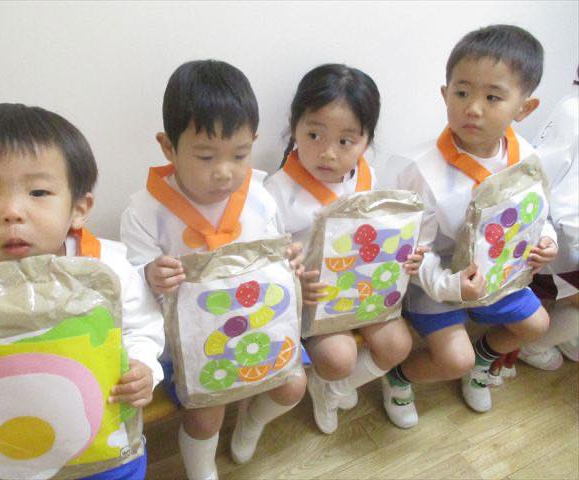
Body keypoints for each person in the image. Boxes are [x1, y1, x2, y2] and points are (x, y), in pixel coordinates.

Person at [0, 103, 165, 479]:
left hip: (102, 452)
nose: (12, 211)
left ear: (79, 208)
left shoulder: (105, 268)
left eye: (38, 191)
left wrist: (144, 367)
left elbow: (143, 327)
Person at [120, 60, 307, 480]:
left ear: (253, 142)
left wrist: (289, 262)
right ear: (168, 147)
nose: (225, 171)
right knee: (207, 413)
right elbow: (130, 287)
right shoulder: (145, 212)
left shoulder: (258, 195)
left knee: (293, 385)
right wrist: (149, 275)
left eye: (239, 154)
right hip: (191, 342)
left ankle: (252, 422)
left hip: (257, 323)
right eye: (205, 156)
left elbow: (276, 251)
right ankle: (202, 468)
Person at [385, 24, 558, 428]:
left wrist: (546, 241)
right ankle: (399, 377)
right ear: (445, 94)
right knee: (453, 360)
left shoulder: (525, 155)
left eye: (493, 97)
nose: (473, 108)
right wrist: (452, 287)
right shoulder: (421, 171)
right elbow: (413, 257)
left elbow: (537, 215)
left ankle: (484, 359)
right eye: (462, 93)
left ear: (524, 108)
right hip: (438, 282)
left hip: (498, 276)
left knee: (537, 324)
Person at [264, 64, 426, 434]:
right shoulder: (277, 191)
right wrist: (296, 284)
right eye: (314, 135)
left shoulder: (367, 176)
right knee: (339, 356)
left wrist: (406, 255)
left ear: (366, 141)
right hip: (315, 300)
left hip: (363, 289)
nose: (327, 153)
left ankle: (331, 388)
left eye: (345, 142)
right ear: (294, 127)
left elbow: (380, 234)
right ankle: (331, 380)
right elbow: (270, 266)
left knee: (398, 344)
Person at [514, 67, 579, 370]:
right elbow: (559, 197)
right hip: (557, 236)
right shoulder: (573, 112)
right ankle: (533, 345)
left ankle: (554, 335)